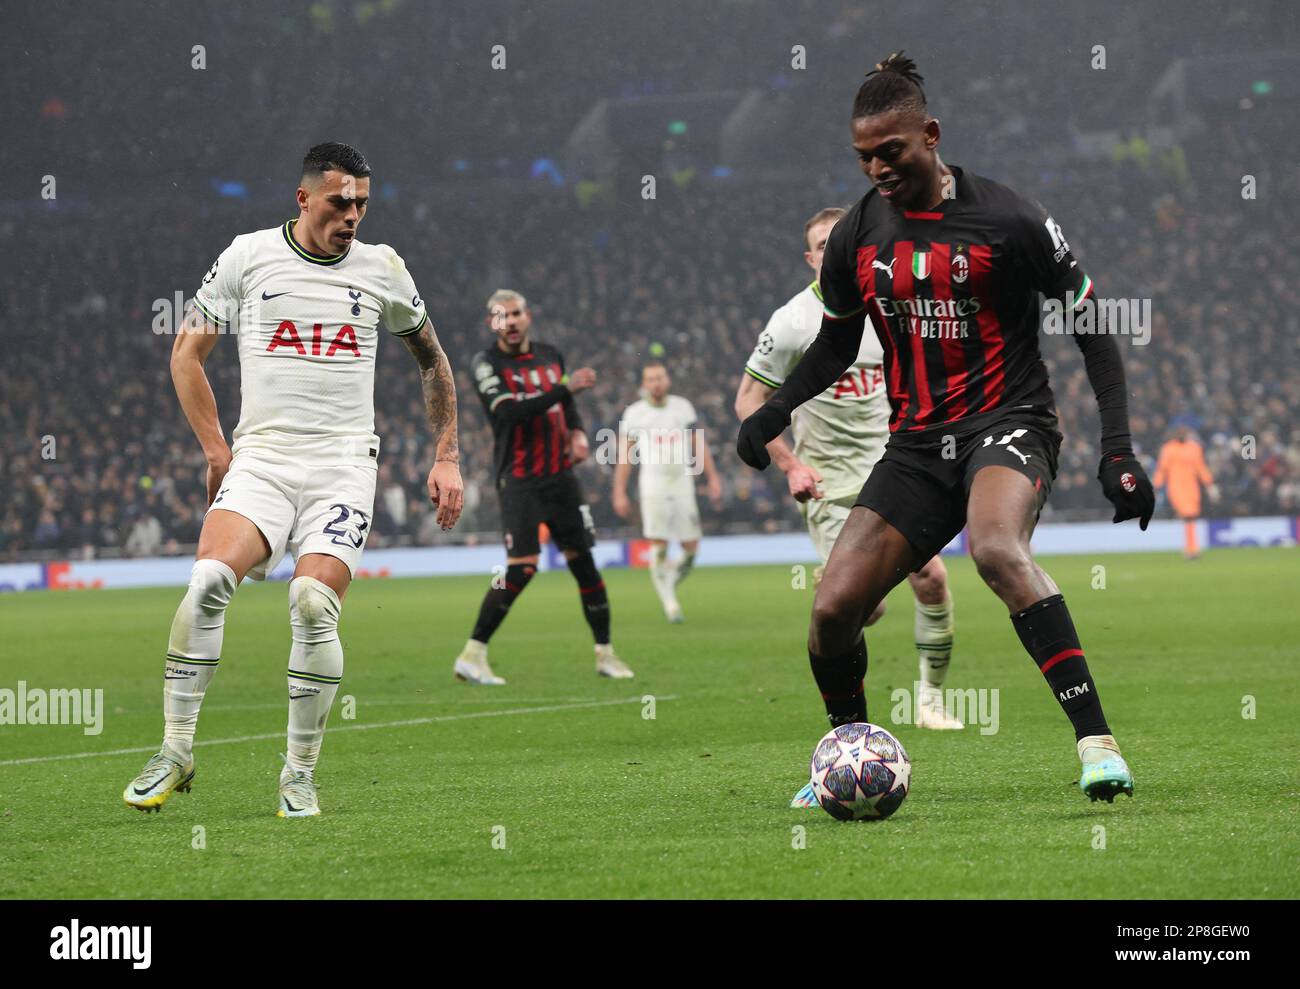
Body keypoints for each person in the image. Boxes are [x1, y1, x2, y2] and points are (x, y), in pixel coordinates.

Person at [737, 53, 1154, 804]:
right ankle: (847, 749)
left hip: (1009, 423)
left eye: (890, 152)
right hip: (918, 443)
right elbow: (835, 341)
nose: (877, 169)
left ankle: (1098, 744)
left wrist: (1117, 446)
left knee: (995, 547)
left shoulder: (1009, 217)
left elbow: (1095, 325)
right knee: (833, 609)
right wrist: (771, 412)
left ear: (930, 134)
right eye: (863, 156)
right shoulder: (858, 233)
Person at [123, 143, 464, 818]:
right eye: (340, 201)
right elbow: (186, 352)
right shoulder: (248, 256)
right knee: (208, 579)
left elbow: (433, 361)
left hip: (343, 465)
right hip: (264, 458)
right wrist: (217, 448)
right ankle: (177, 749)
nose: (353, 215)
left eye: (362, 202)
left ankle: (298, 773)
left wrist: (447, 453)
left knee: (312, 601)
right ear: (304, 198)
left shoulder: (383, 267)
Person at [735, 206, 962, 758]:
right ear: (811, 257)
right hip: (828, 484)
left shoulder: (890, 306)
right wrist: (791, 466)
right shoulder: (792, 322)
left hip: (894, 466)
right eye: (821, 243)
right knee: (855, 608)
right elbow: (748, 401)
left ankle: (930, 700)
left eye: (841, 240)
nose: (831, 249)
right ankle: (849, 733)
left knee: (931, 577)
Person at [452, 290, 633, 683]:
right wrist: (565, 389)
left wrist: (579, 433)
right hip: (518, 478)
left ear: (528, 316)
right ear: (492, 323)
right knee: (521, 567)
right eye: (502, 317)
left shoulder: (551, 355)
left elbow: (566, 408)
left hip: (560, 477)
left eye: (516, 314)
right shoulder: (486, 363)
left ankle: (605, 654)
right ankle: (472, 653)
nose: (511, 322)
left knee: (584, 562)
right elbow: (510, 413)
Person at [613, 362, 723, 622]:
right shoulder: (634, 414)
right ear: (644, 384)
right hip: (653, 484)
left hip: (682, 482)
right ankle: (669, 602)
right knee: (659, 545)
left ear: (668, 380)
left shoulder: (683, 407)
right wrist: (619, 491)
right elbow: (624, 456)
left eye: (660, 377)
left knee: (691, 548)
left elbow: (699, 444)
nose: (656, 383)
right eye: (650, 379)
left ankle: (669, 581)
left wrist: (713, 477)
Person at [1153, 426, 1216, 559]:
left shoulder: (1194, 448)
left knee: (1191, 517)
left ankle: (1191, 549)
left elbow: (1200, 467)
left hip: (1192, 487)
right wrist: (1157, 486)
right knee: (1188, 515)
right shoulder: (1168, 448)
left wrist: (1209, 485)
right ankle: (1191, 549)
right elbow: (1162, 469)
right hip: (1176, 486)